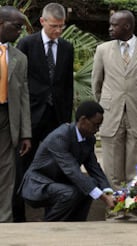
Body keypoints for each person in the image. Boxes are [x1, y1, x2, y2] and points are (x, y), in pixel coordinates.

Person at [14, 2, 74, 222]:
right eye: (54, 26)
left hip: (57, 118)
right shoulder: (26, 44)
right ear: (42, 22)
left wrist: (68, 122)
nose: (58, 31)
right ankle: (19, 215)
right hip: (31, 116)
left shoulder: (67, 48)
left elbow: (68, 86)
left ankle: (53, 214)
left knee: (56, 167)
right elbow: (18, 82)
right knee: (24, 166)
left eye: (61, 27)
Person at [92, 10, 137, 190]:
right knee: (112, 170)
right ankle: (115, 211)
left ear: (127, 26)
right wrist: (108, 104)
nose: (110, 28)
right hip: (111, 115)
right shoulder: (102, 50)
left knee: (135, 170)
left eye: (114, 25)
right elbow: (96, 84)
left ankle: (131, 209)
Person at [19, 101, 114, 221]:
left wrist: (108, 191)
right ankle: (47, 225)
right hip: (38, 185)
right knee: (69, 193)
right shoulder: (60, 136)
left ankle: (76, 225)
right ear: (83, 120)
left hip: (58, 184)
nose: (97, 129)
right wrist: (103, 198)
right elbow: (72, 171)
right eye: (96, 125)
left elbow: (94, 168)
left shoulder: (89, 139)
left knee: (90, 185)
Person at [0, 6, 31, 223]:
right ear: (1, 24)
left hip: (8, 117)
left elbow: (23, 96)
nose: (20, 31)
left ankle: (4, 219)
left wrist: (25, 133)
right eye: (16, 26)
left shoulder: (19, 57)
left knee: (7, 171)